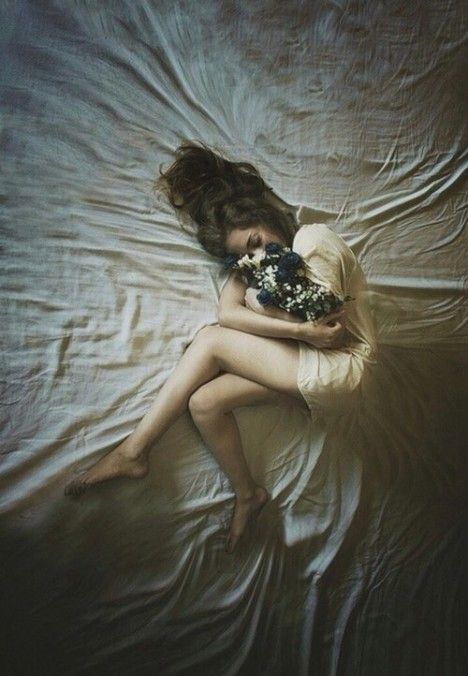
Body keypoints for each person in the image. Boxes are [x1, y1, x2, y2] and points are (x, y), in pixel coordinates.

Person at [64, 141, 376, 553]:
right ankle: (248, 494)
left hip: (343, 365)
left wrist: (281, 321)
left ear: (267, 218)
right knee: (205, 403)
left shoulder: (313, 240)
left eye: (258, 241)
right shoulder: (258, 266)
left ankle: (133, 451)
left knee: (209, 341)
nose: (261, 256)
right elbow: (228, 313)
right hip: (319, 375)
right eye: (246, 255)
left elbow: (324, 321)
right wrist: (263, 304)